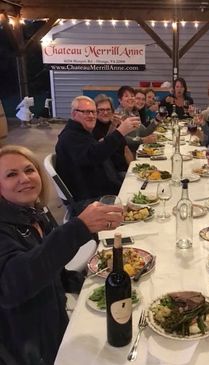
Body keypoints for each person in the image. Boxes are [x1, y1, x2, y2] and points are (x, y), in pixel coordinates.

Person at [0, 145, 123, 365]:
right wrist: (78, 228)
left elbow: (53, 269)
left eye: (29, 170)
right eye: (11, 175)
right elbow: (13, 283)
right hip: (26, 344)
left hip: (55, 320)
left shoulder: (36, 213)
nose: (24, 179)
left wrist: (93, 283)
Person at [55, 95, 138, 215]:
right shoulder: (70, 136)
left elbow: (98, 152)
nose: (91, 116)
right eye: (86, 112)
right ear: (73, 114)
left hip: (100, 191)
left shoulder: (82, 133)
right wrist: (120, 131)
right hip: (88, 200)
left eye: (93, 112)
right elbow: (93, 156)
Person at [93, 94, 134, 173]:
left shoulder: (115, 123)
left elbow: (126, 150)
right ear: (95, 111)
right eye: (101, 110)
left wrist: (132, 170)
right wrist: (114, 127)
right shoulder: (93, 127)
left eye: (108, 109)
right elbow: (102, 147)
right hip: (111, 175)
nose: (105, 112)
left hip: (125, 171)